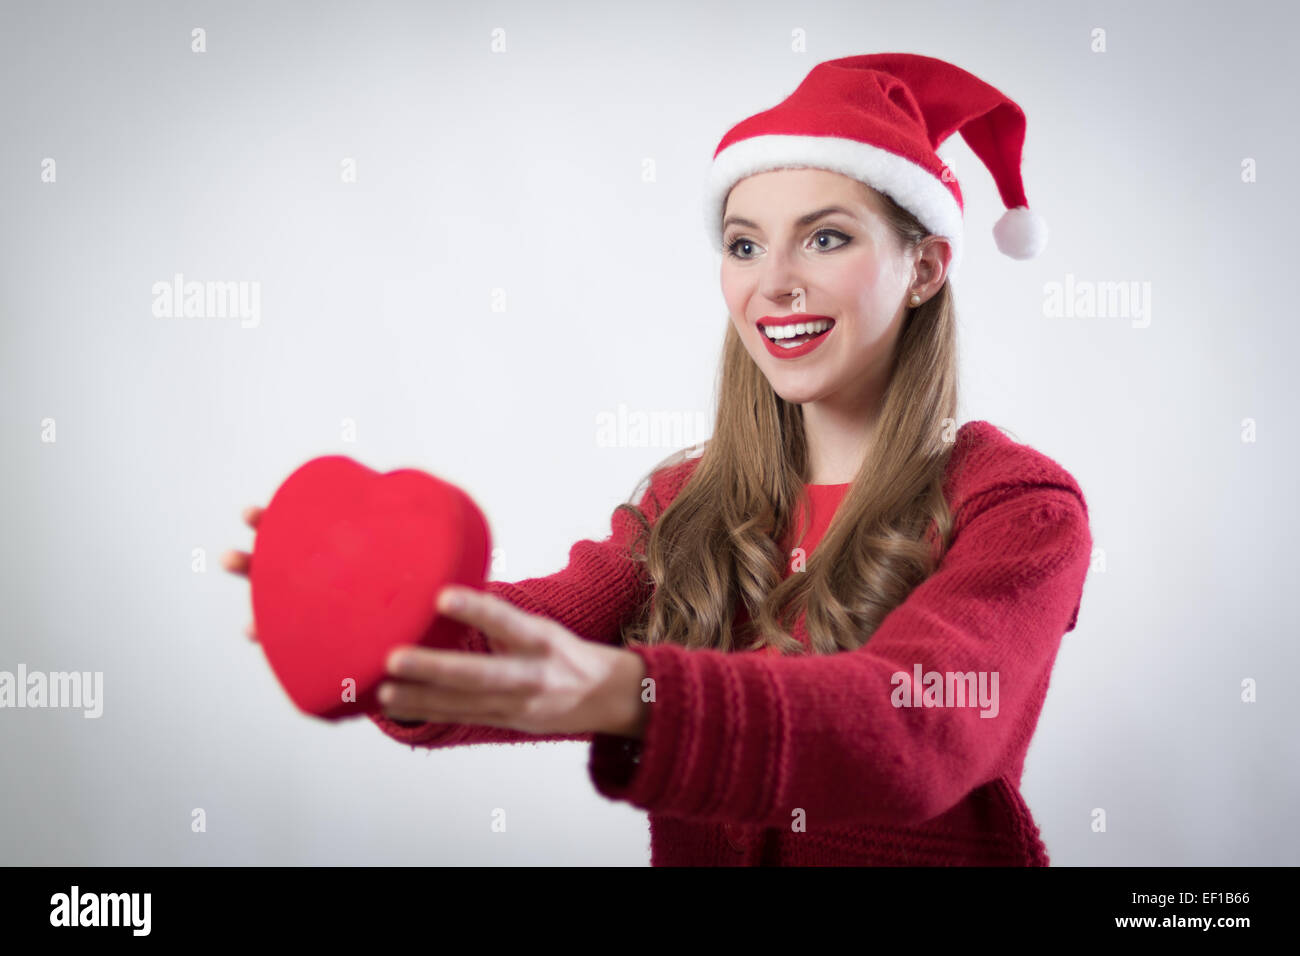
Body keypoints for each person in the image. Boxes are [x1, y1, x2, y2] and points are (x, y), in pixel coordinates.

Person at [225, 52, 1092, 866]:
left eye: (826, 238)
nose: (773, 282)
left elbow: (916, 729)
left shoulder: (1020, 509)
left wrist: (627, 695)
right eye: (744, 244)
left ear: (926, 268)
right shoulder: (690, 500)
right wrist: (376, 619)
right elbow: (543, 632)